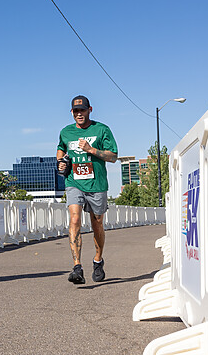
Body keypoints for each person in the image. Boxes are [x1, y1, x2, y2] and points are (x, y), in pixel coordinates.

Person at [57, 95, 118, 284]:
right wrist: (60, 162)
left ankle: (98, 260)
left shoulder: (101, 129)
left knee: (97, 223)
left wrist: (91, 150)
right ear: (72, 113)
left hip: (97, 184)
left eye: (82, 110)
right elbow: (61, 148)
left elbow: (113, 156)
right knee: (74, 219)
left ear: (89, 110)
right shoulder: (66, 132)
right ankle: (77, 267)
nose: (79, 114)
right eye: (75, 111)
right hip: (74, 182)